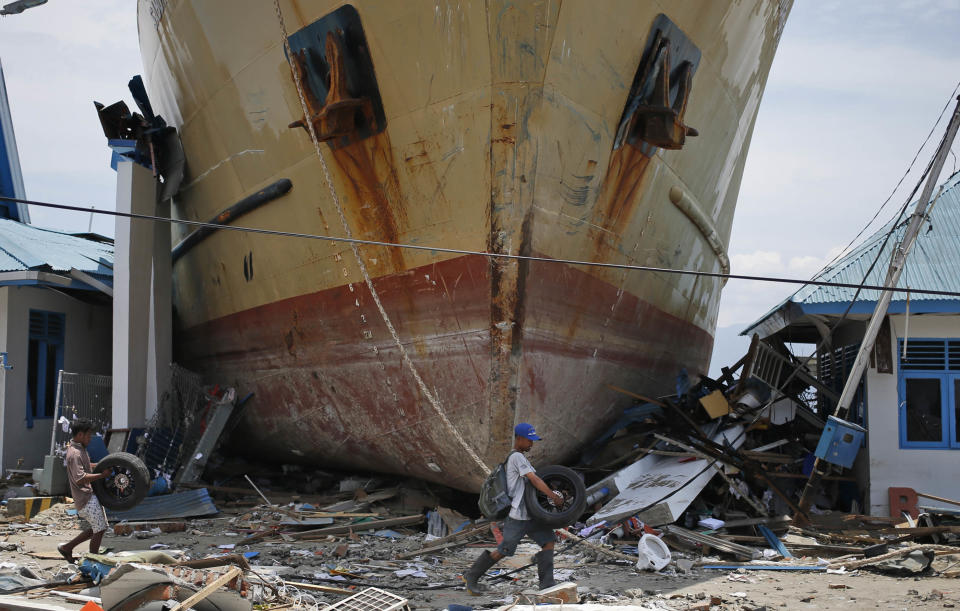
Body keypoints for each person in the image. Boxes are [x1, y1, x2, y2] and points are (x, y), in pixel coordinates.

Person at [463, 422, 564, 595]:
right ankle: (471, 576)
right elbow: (534, 480)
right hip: (517, 515)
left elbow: (530, 487)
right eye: (529, 440)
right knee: (505, 550)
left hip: (531, 515)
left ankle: (547, 584)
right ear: (519, 438)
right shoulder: (516, 457)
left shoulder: (522, 458)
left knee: (548, 541)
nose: (531, 444)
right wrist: (553, 496)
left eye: (533, 440)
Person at [58, 419, 111, 563]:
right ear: (80, 435)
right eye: (88, 435)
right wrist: (101, 475)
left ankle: (67, 548)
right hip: (85, 498)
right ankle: (93, 561)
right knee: (99, 529)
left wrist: (100, 465)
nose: (90, 438)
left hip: (89, 495)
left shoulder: (80, 449)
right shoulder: (75, 453)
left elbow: (87, 466)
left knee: (99, 527)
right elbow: (80, 478)